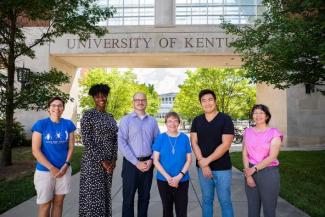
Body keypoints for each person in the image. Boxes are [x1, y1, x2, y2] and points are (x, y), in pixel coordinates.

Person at [190, 89, 234, 217]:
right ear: (200, 103)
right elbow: (194, 142)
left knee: (225, 202)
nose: (207, 103)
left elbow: (226, 145)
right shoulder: (197, 120)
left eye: (210, 100)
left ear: (215, 101)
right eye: (204, 100)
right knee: (207, 201)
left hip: (223, 169)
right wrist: (203, 165)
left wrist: (206, 162)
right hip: (203, 169)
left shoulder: (225, 119)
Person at [32, 96, 76, 217]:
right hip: (45, 171)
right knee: (45, 204)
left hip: (64, 170)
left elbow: (71, 146)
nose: (57, 108)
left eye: (60, 105)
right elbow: (35, 150)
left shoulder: (68, 124)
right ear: (49, 108)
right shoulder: (41, 124)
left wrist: (66, 165)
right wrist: (52, 168)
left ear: (63, 109)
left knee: (58, 203)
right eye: (53, 105)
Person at [118, 92, 160, 217]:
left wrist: (152, 159)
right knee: (128, 198)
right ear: (133, 102)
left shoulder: (152, 121)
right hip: (131, 165)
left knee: (145, 197)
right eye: (137, 100)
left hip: (148, 164)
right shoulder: (126, 120)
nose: (140, 102)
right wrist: (136, 162)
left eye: (143, 100)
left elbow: (157, 142)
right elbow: (121, 142)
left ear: (146, 102)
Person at [79, 84, 118, 217]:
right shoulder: (88, 115)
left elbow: (115, 139)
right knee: (93, 196)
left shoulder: (110, 117)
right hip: (92, 163)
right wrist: (103, 161)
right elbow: (87, 141)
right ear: (93, 98)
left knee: (106, 194)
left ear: (107, 96)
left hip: (109, 164)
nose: (101, 98)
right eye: (97, 96)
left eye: (103, 95)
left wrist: (113, 160)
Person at [242, 104, 283, 217]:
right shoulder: (247, 132)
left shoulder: (274, 133)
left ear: (267, 116)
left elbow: (272, 156)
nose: (258, 115)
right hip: (249, 170)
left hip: (268, 172)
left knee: (269, 209)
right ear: (252, 116)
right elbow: (245, 153)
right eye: (255, 113)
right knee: (252, 208)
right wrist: (248, 173)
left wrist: (254, 169)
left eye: (261, 113)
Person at [153, 112, 192, 217]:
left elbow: (189, 160)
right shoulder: (160, 138)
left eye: (175, 120)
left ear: (179, 123)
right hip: (163, 180)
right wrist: (168, 178)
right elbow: (155, 160)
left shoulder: (184, 138)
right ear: (166, 123)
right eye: (169, 121)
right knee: (167, 210)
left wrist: (179, 176)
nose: (172, 123)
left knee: (182, 210)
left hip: (182, 180)